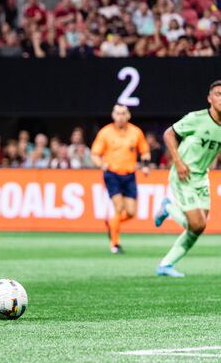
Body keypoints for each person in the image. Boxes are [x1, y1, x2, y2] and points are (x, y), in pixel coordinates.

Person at [154, 80, 221, 277]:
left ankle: (165, 265)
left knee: (199, 227)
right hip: (183, 174)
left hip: (202, 177)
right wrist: (179, 162)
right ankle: (167, 207)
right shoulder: (196, 118)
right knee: (197, 224)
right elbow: (168, 134)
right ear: (209, 98)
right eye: (218, 94)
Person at [91, 104, 150, 254]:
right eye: (118, 113)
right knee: (118, 208)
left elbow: (144, 151)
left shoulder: (136, 132)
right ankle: (115, 244)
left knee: (130, 212)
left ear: (128, 115)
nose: (121, 116)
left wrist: (146, 165)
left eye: (123, 113)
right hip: (112, 174)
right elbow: (95, 153)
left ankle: (112, 224)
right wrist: (101, 164)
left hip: (129, 175)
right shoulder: (105, 132)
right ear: (113, 115)